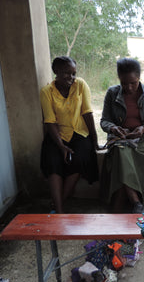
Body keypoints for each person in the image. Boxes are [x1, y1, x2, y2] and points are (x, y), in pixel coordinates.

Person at [100, 58, 144, 213]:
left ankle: (119, 205)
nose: (128, 87)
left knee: (123, 160)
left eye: (133, 82)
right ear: (119, 79)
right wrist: (114, 128)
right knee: (121, 151)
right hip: (120, 138)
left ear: (139, 77)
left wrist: (143, 129)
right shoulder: (112, 93)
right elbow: (104, 121)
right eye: (124, 83)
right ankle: (136, 202)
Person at [40, 56, 100, 214]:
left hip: (80, 134)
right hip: (57, 135)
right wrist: (61, 146)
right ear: (56, 72)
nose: (72, 78)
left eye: (74, 73)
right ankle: (59, 211)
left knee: (79, 160)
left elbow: (87, 113)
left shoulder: (80, 85)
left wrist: (94, 139)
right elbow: (50, 121)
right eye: (67, 73)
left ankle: (57, 204)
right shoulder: (47, 92)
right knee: (52, 162)